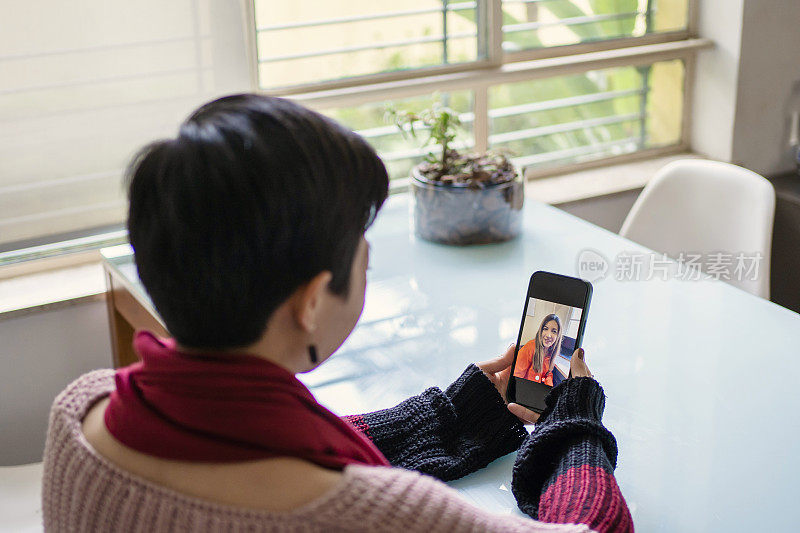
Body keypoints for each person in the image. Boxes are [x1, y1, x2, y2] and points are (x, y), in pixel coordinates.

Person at [42, 94, 633, 532]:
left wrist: (454, 417)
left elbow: (259, 445)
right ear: (310, 302)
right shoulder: (382, 518)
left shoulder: (81, 412)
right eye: (362, 251)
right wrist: (572, 425)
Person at [514, 314, 563, 386]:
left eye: (554, 331)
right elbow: (517, 377)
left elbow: (548, 373)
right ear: (541, 331)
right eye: (545, 329)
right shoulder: (529, 347)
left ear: (558, 335)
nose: (548, 335)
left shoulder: (551, 351)